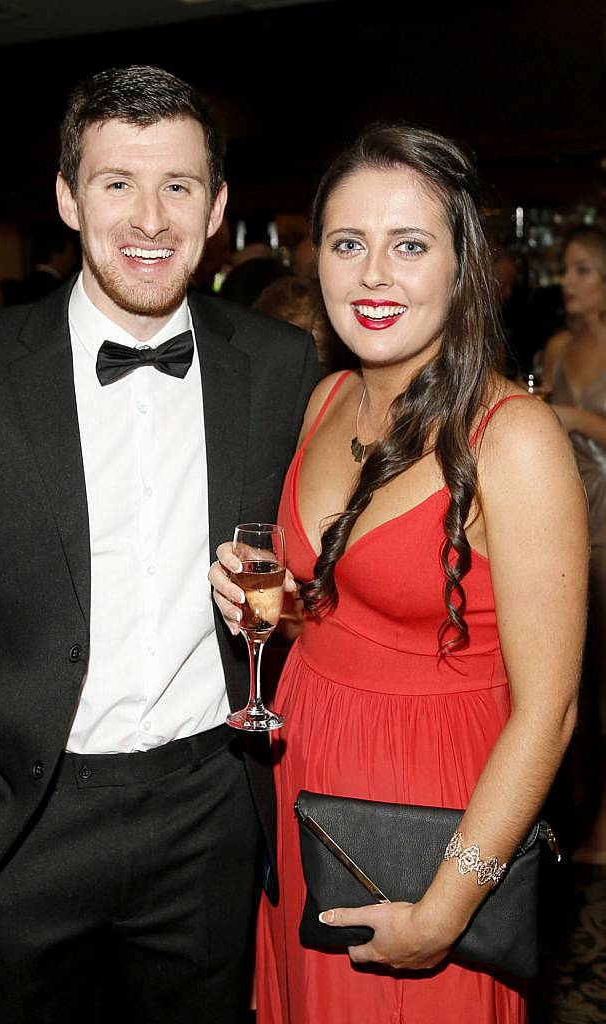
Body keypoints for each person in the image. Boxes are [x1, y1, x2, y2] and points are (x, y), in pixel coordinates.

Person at [0, 65, 320, 1024]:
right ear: (69, 198)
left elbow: (320, 570)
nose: (149, 218)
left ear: (218, 205)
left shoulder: (279, 368)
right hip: (17, 827)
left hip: (209, 815)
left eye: (179, 187)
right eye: (118, 183)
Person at [210, 124, 587, 1023]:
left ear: (462, 267)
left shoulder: (515, 438)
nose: (373, 274)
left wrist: (450, 904)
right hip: (304, 786)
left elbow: (551, 711)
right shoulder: (325, 395)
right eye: (349, 244)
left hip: (430, 822)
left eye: (408, 245)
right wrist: (271, 602)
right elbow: (346, 602)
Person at [543, 225, 606, 864]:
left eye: (583, 269)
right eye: (566, 268)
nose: (568, 280)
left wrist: (581, 419)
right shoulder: (558, 347)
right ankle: (580, 818)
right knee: (575, 683)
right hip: (575, 525)